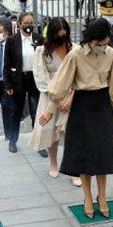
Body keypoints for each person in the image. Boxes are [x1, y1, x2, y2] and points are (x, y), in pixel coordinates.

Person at [40, 18, 113, 219]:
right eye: (101, 43)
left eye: (107, 42)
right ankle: (88, 197)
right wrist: (50, 109)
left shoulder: (110, 55)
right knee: (84, 155)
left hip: (102, 106)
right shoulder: (75, 55)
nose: (104, 46)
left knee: (104, 154)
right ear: (91, 40)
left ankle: (103, 197)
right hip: (81, 106)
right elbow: (59, 85)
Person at [30, 17, 82, 187]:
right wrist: (56, 98)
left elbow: (81, 77)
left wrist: (70, 96)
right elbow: (41, 77)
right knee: (51, 131)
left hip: (72, 95)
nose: (62, 39)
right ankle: (53, 162)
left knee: (71, 134)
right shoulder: (41, 51)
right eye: (59, 36)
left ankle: (72, 169)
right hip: (50, 96)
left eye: (64, 36)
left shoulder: (75, 49)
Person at [5, 12, 46, 156]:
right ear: (20, 24)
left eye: (32, 22)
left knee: (37, 112)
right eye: (26, 22)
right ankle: (12, 141)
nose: (29, 25)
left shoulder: (39, 39)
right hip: (18, 80)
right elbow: (7, 65)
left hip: (35, 80)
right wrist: (8, 85)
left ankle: (40, 143)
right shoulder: (12, 40)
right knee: (16, 111)